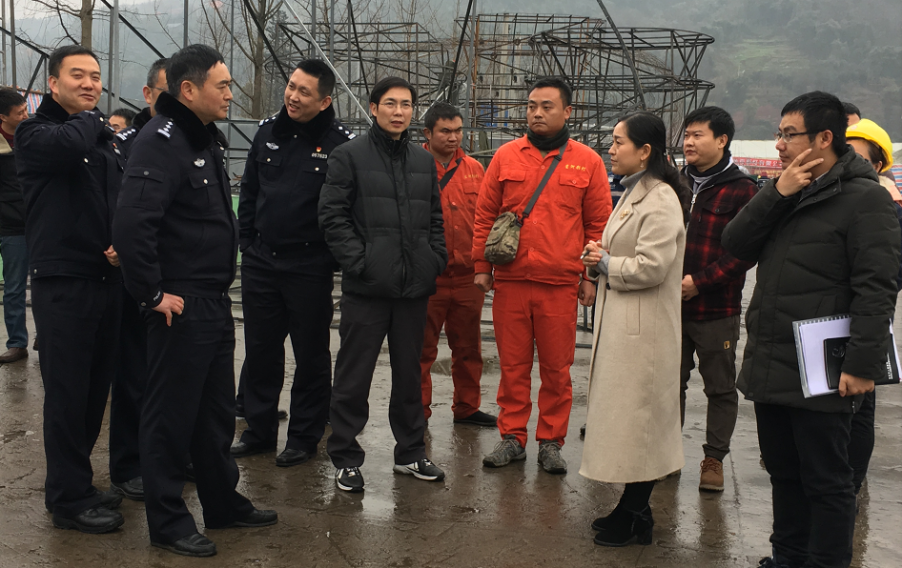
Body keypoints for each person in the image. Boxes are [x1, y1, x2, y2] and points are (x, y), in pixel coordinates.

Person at [722, 91, 900, 568]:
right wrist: (776, 193)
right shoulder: (786, 190)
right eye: (778, 133)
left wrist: (862, 364)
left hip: (825, 367)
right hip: (773, 357)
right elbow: (734, 243)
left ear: (824, 137)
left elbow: (877, 288)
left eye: (789, 134)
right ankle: (788, 558)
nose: (779, 144)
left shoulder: (865, 198)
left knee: (827, 481)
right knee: (784, 473)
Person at [114, 45, 276, 558]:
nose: (230, 94)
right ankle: (167, 520)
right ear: (188, 89)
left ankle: (222, 503)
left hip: (211, 300)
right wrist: (152, 293)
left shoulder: (201, 138)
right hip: (180, 303)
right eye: (222, 85)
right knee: (170, 417)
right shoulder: (161, 141)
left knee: (214, 415)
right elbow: (133, 223)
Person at [472, 77, 611, 474]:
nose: (536, 113)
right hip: (512, 282)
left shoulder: (587, 161)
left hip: (559, 286)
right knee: (513, 367)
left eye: (546, 106)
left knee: (556, 370)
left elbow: (598, 226)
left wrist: (589, 277)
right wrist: (482, 267)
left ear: (567, 111)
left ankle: (550, 442)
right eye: (531, 106)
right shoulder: (506, 157)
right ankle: (512, 438)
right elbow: (484, 215)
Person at [319, 76, 447, 493]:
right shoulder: (349, 155)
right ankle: (345, 457)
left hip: (413, 289)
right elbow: (333, 217)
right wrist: (362, 264)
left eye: (406, 104)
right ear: (373, 108)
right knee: (353, 377)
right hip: (367, 288)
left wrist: (433, 259)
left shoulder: (423, 161)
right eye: (390, 103)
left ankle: (410, 452)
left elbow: (434, 219)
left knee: (410, 376)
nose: (398, 112)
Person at [16, 45, 125, 533]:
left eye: (95, 76)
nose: (89, 83)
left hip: (106, 278)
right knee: (66, 394)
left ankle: (78, 482)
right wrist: (94, 118)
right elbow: (67, 147)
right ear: (53, 84)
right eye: (77, 75)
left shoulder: (101, 139)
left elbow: (116, 196)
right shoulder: (35, 132)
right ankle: (66, 500)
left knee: (94, 391)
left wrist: (121, 241)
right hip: (63, 281)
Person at [230, 59, 353, 467]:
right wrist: (247, 244)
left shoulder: (340, 145)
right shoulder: (268, 132)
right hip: (262, 261)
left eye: (304, 92)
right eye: (291, 86)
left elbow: (347, 209)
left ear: (325, 101)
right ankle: (259, 431)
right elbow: (249, 192)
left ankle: (303, 436)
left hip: (309, 265)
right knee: (261, 351)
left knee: (311, 355)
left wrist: (329, 259)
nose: (293, 96)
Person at [579, 111, 687, 547]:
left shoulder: (660, 198)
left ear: (645, 151)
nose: (611, 148)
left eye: (618, 141)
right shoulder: (633, 192)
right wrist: (599, 255)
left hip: (646, 332)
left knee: (640, 423)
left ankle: (634, 511)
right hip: (626, 324)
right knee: (628, 421)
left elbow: (652, 266)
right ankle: (634, 511)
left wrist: (605, 262)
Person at [678, 106, 758, 492]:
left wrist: (700, 282)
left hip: (716, 309)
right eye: (686, 135)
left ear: (722, 140)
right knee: (667, 384)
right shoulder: (676, 182)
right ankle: (666, 453)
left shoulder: (743, 189)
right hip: (669, 305)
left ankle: (714, 459)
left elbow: (745, 252)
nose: (689, 142)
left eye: (698, 135)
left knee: (720, 387)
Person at [106, 57, 168, 503]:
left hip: (181, 277)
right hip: (138, 275)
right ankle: (128, 465)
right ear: (148, 95)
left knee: (175, 377)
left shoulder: (201, 140)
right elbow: (117, 205)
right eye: (168, 92)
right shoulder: (126, 144)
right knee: (133, 375)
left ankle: (170, 456)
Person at [418, 102, 495, 428]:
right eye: (445, 131)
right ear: (428, 133)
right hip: (428, 278)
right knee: (421, 350)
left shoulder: (475, 169)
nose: (453, 138)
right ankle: (418, 412)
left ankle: (467, 407)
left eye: (458, 131)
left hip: (467, 277)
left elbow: (486, 217)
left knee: (468, 348)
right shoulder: (414, 167)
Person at [844, 118, 902, 510]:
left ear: (878, 164)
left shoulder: (887, 205)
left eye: (857, 157)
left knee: (861, 405)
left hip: (865, 320)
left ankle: (850, 484)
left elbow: (891, 277)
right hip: (826, 319)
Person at [0, 89, 30, 363]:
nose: (25, 115)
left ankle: (43, 336)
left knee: (21, 285)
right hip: (8, 224)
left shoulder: (30, 137)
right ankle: (17, 343)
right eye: (19, 113)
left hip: (23, 224)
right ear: (2, 117)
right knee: (13, 288)